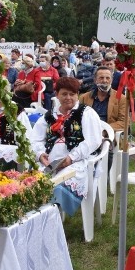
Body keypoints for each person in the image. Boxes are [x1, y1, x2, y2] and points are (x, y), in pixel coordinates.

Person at [30, 76, 102, 216]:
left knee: (57, 186)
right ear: (57, 95)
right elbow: (35, 140)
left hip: (77, 162)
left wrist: (71, 157)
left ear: (77, 95)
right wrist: (40, 155)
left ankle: (53, 220)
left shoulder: (86, 113)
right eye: (64, 94)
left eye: (72, 94)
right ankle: (38, 220)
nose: (68, 97)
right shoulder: (49, 116)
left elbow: (93, 140)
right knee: (33, 184)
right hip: (50, 163)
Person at [79, 66, 127, 133]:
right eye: (101, 78)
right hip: (88, 133)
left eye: (108, 78)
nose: (104, 81)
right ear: (95, 80)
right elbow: (78, 118)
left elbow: (123, 122)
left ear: (112, 80)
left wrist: (104, 130)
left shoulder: (121, 99)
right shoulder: (84, 98)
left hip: (108, 136)